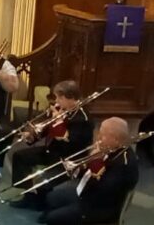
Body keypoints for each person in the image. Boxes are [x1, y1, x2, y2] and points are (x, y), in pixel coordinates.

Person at [9, 80, 93, 210]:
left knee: (43, 179)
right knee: (20, 156)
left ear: (71, 97)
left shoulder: (83, 118)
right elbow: (47, 129)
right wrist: (32, 136)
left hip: (68, 158)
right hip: (53, 150)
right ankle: (29, 196)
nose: (57, 101)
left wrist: (59, 121)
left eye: (60, 97)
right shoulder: (62, 109)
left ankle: (43, 205)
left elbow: (72, 142)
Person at [41, 117, 138, 225]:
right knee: (51, 198)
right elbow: (92, 175)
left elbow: (104, 191)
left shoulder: (123, 163)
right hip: (87, 192)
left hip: (99, 207)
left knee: (52, 219)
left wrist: (95, 161)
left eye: (102, 135)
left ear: (115, 139)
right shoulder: (112, 148)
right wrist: (79, 168)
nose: (98, 138)